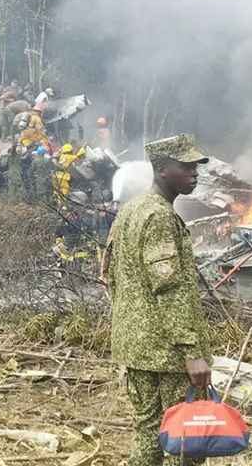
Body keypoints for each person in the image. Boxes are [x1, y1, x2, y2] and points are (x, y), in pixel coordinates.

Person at [101, 134, 213, 466]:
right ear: (163, 169)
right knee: (186, 439)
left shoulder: (131, 210)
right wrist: (192, 353)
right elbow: (170, 289)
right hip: (168, 354)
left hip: (136, 347)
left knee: (148, 431)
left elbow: (109, 273)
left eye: (196, 167)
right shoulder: (160, 217)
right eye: (186, 167)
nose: (195, 173)